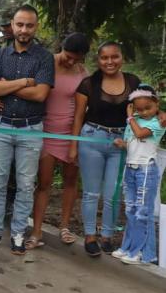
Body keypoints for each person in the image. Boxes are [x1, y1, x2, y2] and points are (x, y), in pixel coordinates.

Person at [0, 4, 54, 255]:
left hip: (30, 129)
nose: (24, 29)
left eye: (29, 25)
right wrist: (23, 82)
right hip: (1, 128)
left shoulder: (44, 57)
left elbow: (41, 94)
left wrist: (5, 85)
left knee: (25, 184)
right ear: (12, 25)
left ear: (36, 27)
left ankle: (19, 232)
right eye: (19, 24)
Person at [69, 41, 141, 257]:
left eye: (114, 57)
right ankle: (90, 236)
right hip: (92, 139)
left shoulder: (133, 82)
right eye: (104, 58)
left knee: (113, 193)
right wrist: (73, 146)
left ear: (122, 59)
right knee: (91, 192)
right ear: (98, 60)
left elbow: (145, 108)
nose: (110, 61)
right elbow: (79, 116)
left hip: (120, 143)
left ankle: (107, 236)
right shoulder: (88, 84)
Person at [26, 33, 89, 249]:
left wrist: (74, 142)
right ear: (61, 48)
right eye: (68, 56)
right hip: (44, 131)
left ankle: (64, 227)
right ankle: (36, 231)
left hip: (71, 133)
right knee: (43, 184)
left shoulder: (82, 73)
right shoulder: (45, 63)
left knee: (71, 182)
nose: (71, 62)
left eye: (76, 59)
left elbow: (82, 109)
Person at [112, 85, 165, 265]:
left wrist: (130, 117)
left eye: (147, 108)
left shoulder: (159, 122)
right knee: (131, 210)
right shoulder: (134, 120)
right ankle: (129, 247)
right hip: (131, 168)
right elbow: (133, 142)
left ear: (156, 104)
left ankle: (144, 252)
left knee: (143, 212)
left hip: (146, 170)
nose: (143, 113)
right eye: (138, 109)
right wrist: (122, 144)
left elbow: (141, 133)